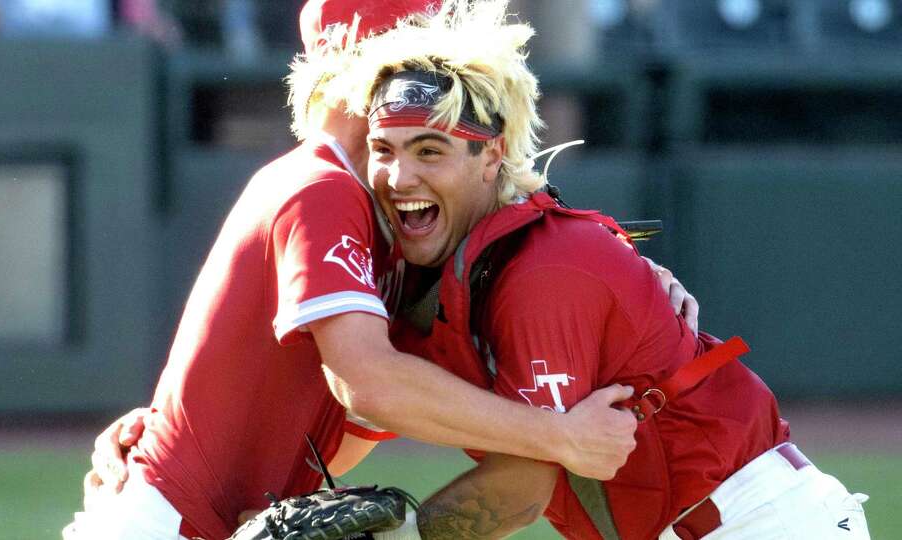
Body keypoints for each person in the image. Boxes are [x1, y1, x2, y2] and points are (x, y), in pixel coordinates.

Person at [64, 2, 701, 538]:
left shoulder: (386, 220)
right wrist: (559, 437)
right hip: (162, 522)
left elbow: (357, 423)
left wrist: (633, 280)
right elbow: (367, 384)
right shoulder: (322, 186)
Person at [325, 2, 869, 538]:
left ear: (491, 158)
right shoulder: (445, 268)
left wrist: (408, 535)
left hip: (760, 523)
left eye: (428, 151)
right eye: (383, 150)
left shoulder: (539, 272)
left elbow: (524, 483)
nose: (399, 176)